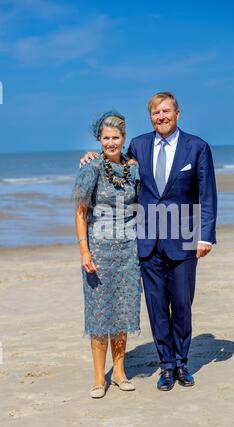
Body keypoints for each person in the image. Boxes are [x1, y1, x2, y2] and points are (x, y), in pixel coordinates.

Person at [80, 92, 217, 391]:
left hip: (183, 239)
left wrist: (206, 237)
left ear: (178, 113)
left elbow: (206, 195)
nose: (161, 117)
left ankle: (182, 362)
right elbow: (115, 166)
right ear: (151, 117)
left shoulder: (197, 147)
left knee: (181, 305)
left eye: (166, 111)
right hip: (146, 241)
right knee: (156, 307)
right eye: (156, 113)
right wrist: (91, 156)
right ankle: (166, 366)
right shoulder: (139, 146)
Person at [73, 112, 141, 399]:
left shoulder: (133, 168)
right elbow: (80, 212)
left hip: (128, 251)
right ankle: (99, 378)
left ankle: (121, 373)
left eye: (116, 137)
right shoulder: (91, 168)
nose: (111, 142)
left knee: (123, 312)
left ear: (123, 139)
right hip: (98, 252)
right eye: (106, 138)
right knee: (100, 314)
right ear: (99, 140)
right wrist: (84, 250)